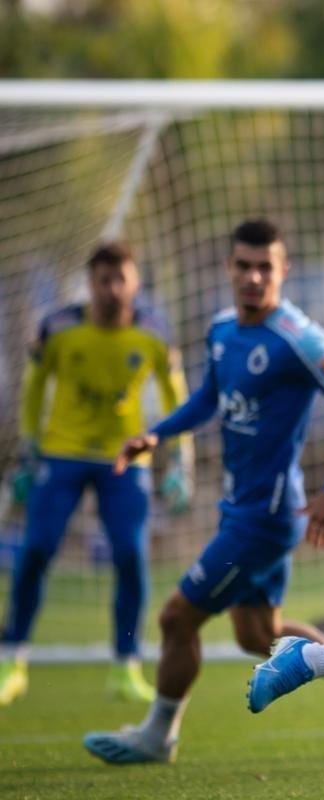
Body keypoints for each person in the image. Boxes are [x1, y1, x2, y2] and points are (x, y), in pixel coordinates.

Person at [81, 219, 324, 765]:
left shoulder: (299, 337)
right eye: (243, 266)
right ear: (229, 268)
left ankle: (158, 734)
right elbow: (207, 398)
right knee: (257, 634)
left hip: (265, 516)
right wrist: (158, 433)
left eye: (265, 267)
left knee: (177, 618)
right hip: (241, 508)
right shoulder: (223, 330)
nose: (253, 277)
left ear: (283, 271)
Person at [0, 242, 193, 706]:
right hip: (62, 453)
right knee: (37, 549)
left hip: (124, 460)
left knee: (130, 554)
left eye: (119, 279)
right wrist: (29, 450)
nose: (111, 290)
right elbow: (33, 387)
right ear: (90, 284)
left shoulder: (154, 334)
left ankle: (125, 666)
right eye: (102, 280)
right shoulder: (58, 327)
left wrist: (179, 464)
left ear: (135, 282)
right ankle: (11, 659)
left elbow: (178, 401)